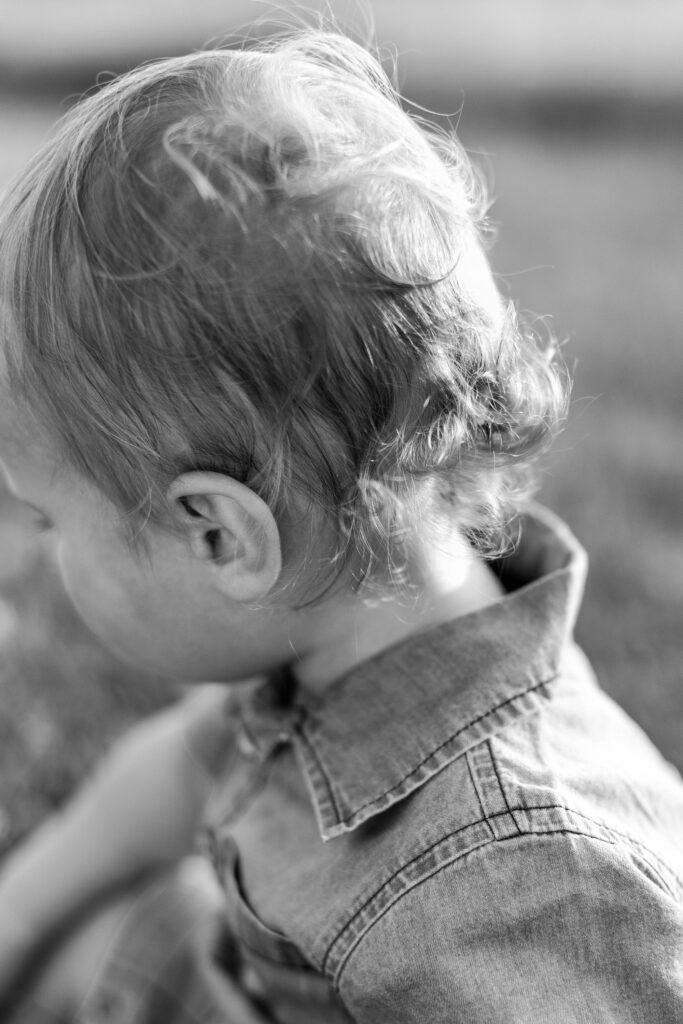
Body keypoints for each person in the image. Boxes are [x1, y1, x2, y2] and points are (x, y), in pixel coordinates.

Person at [0, 27, 681, 1024]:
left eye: (47, 518)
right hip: (236, 970)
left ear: (221, 536)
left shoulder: (515, 886)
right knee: (116, 936)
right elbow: (176, 774)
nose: (37, 554)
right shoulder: (341, 647)